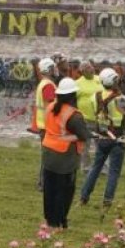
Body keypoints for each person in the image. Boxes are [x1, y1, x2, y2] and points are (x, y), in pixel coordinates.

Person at [42, 77, 90, 229]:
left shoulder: (50, 107)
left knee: (50, 189)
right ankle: (59, 220)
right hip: (65, 158)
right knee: (64, 191)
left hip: (48, 153)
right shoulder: (74, 115)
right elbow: (84, 135)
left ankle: (49, 220)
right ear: (73, 95)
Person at [80, 67, 125, 208]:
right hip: (117, 138)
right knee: (114, 172)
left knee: (95, 168)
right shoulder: (121, 99)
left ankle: (84, 196)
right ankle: (107, 200)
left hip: (101, 137)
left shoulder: (94, 96)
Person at [28, 57, 58, 191]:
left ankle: (43, 182)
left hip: (43, 125)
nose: (55, 69)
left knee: (47, 156)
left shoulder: (43, 83)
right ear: (48, 69)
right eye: (53, 67)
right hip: (48, 126)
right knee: (49, 157)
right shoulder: (48, 85)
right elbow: (50, 105)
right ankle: (44, 183)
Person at [74, 59, 104, 170]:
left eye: (91, 66)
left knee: (101, 144)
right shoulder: (77, 83)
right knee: (85, 145)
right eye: (87, 68)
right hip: (85, 119)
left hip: (100, 119)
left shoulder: (99, 80)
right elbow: (72, 101)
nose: (91, 69)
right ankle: (86, 167)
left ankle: (102, 167)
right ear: (82, 71)